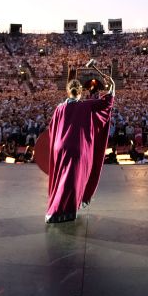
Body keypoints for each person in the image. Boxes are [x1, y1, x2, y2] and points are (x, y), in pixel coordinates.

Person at [45, 75, 115, 223]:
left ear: (67, 91)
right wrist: (112, 86)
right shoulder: (86, 105)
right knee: (72, 181)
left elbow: (52, 129)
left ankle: (63, 209)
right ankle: (57, 211)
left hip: (60, 147)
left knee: (62, 178)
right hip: (77, 148)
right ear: (81, 92)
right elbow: (107, 103)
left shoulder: (59, 108)